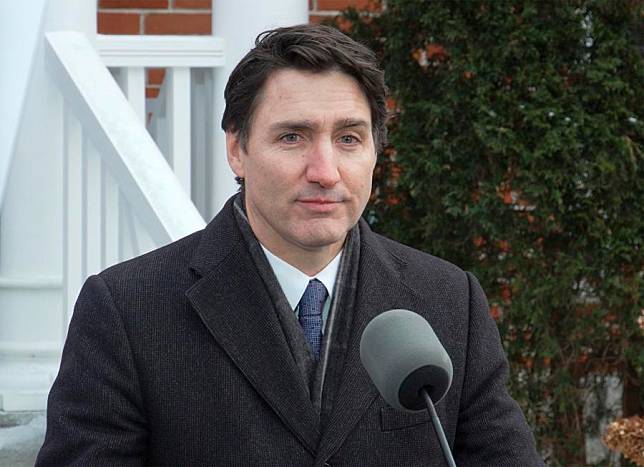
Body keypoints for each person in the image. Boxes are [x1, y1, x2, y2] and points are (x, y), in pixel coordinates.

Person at [36, 24, 545, 466]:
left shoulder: (450, 301)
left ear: (374, 152)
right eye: (292, 138)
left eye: (349, 139)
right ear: (237, 149)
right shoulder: (128, 309)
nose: (325, 172)